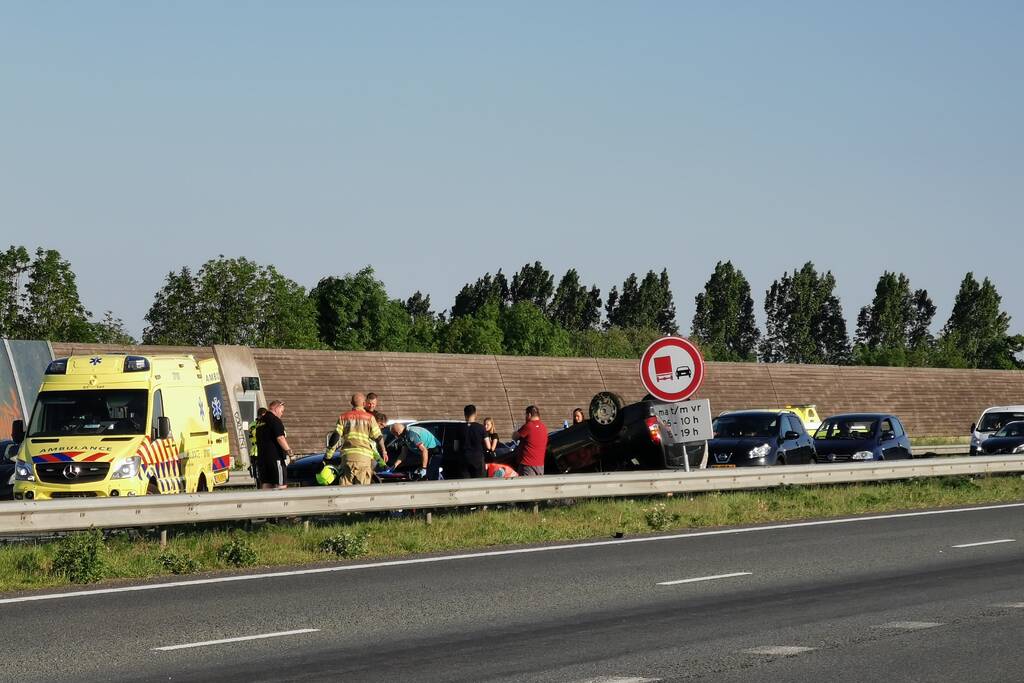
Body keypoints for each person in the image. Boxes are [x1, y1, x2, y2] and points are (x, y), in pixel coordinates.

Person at [335, 393, 387, 486]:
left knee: (345, 492)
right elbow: (378, 437)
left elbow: (335, 437)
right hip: (364, 459)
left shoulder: (343, 417)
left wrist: (328, 455)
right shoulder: (370, 418)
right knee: (362, 492)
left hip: (347, 459)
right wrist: (384, 451)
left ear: (351, 403)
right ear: (364, 403)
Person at [255, 401, 293, 490]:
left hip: (262, 459)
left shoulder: (260, 422)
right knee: (281, 484)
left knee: (267, 484)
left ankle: (266, 504)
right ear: (276, 408)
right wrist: (290, 453)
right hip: (275, 458)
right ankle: (282, 503)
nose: (282, 414)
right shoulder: (275, 420)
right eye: (282, 411)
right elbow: (280, 438)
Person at [514, 405, 548, 476]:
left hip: (527, 465)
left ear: (529, 415)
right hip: (540, 465)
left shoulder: (528, 426)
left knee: (525, 486)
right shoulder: (544, 427)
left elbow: (515, 437)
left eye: (526, 415)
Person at [455, 404, 487, 479]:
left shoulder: (459, 428)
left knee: (466, 482)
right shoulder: (481, 428)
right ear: (475, 414)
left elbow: (455, 447)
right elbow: (487, 445)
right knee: (479, 481)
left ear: (464, 414)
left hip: (464, 458)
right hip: (478, 458)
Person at [248, 407, 268, 486]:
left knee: (260, 473)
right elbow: (256, 433)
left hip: (256, 451)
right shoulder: (255, 424)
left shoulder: (253, 424)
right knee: (259, 474)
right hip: (258, 450)